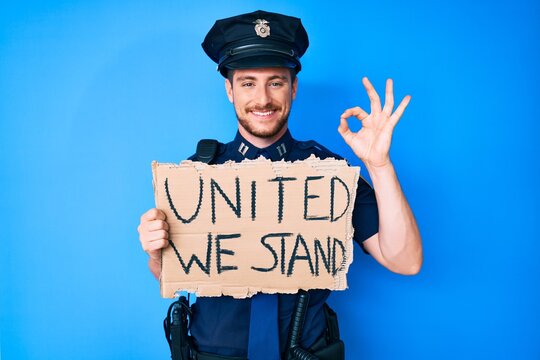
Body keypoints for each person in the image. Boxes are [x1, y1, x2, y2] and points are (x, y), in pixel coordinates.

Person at [137, 9, 422, 360]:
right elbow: (173, 271)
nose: (263, 99)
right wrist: (155, 251)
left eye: (275, 81)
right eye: (248, 83)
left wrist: (379, 166)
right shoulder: (196, 177)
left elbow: (406, 261)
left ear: (293, 87)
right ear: (229, 89)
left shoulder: (330, 175)